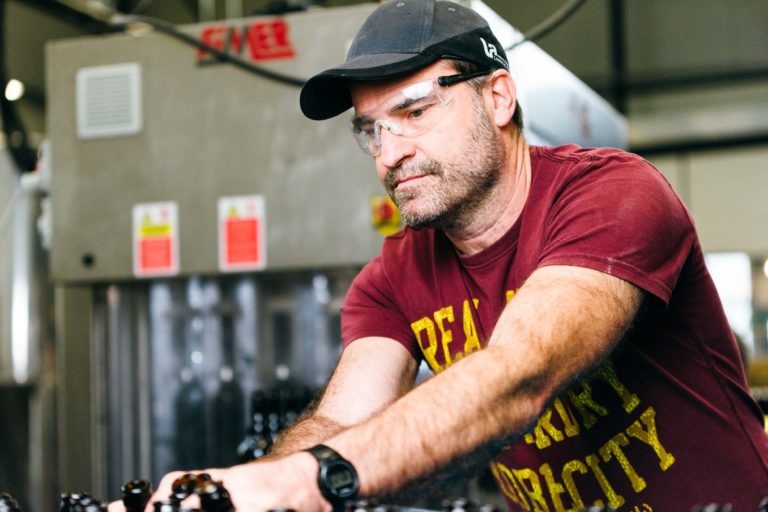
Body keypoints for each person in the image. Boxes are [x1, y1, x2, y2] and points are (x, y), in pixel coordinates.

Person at [113, 0, 768, 510]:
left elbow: (521, 374)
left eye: (415, 110)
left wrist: (312, 484)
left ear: (499, 97)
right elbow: (342, 418)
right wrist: (231, 494)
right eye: (371, 130)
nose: (389, 153)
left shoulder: (612, 194)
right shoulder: (392, 276)